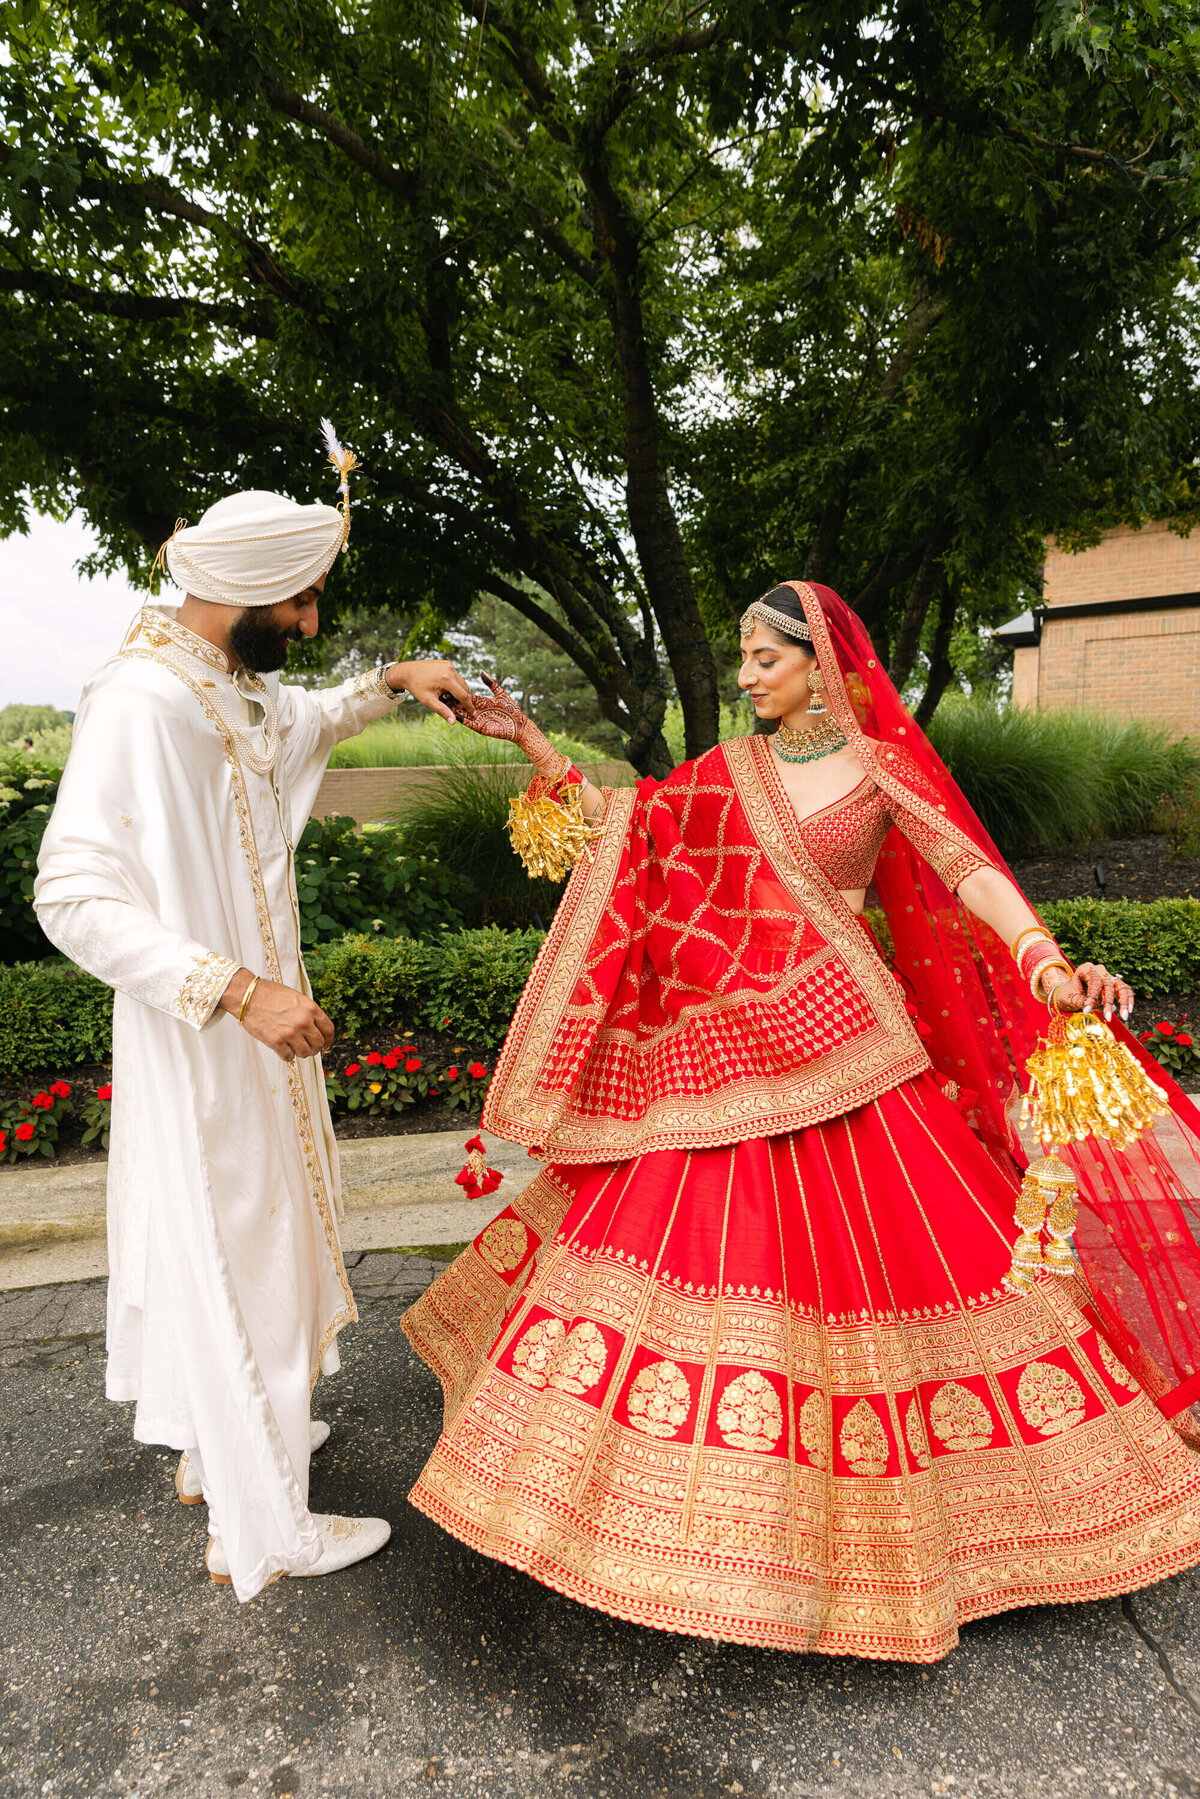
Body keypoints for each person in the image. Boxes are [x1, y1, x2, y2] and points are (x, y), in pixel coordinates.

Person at [403, 579, 1200, 1662]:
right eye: (739, 657)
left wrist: (1047, 963)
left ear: (824, 661)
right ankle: (674, 1536)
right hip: (723, 1068)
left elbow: (969, 870)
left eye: (764, 660)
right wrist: (534, 741)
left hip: (851, 1062)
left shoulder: (880, 768)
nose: (744, 678)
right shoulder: (722, 774)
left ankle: (979, 1525)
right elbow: (630, 834)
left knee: (909, 1280)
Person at [34, 449, 474, 1601]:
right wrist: (236, 989)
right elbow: (70, 893)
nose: (312, 616)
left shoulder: (215, 676)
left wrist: (391, 678)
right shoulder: (140, 698)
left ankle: (217, 1445)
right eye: (302, 598)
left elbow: (292, 725)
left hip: (254, 1032)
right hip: (210, 1036)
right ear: (242, 588)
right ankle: (261, 1524)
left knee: (246, 1241)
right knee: (249, 1249)